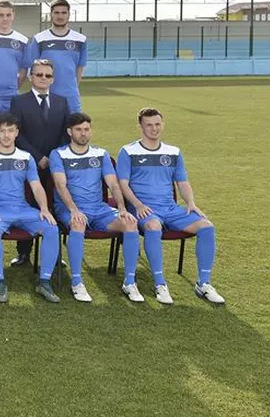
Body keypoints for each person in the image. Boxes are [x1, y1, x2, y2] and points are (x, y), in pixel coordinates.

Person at [117, 108, 225, 304]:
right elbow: (122, 184)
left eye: (157, 124)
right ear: (140, 126)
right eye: (149, 125)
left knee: (207, 227)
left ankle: (204, 283)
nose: (154, 128)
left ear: (163, 125)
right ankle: (160, 284)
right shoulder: (128, 151)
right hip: (144, 209)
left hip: (171, 209)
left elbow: (182, 182)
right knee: (153, 227)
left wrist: (191, 203)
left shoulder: (173, 152)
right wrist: (138, 205)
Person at [50, 112, 146, 303]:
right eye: (78, 129)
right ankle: (77, 282)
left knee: (130, 223)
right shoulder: (58, 154)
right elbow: (60, 185)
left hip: (99, 208)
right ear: (69, 132)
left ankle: (129, 282)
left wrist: (121, 208)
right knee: (78, 224)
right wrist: (74, 209)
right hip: (70, 208)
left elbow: (113, 184)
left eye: (86, 129)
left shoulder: (101, 154)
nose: (83, 133)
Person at [0, 113, 61, 304]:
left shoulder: (26, 157)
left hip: (23, 209)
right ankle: (0, 281)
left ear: (17, 133)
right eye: (2, 131)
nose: (6, 135)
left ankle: (44, 281)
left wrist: (44, 209)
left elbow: (36, 186)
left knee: (51, 227)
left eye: (10, 131)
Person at [7, 58, 70, 266]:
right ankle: (24, 252)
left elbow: (66, 133)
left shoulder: (62, 102)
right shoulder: (18, 101)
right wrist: (37, 157)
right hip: (28, 164)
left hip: (54, 167)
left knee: (53, 206)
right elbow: (17, 133)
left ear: (53, 79)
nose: (43, 78)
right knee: (27, 205)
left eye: (48, 75)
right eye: (39, 74)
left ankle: (54, 254)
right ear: (31, 77)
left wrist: (52, 158)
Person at [26, 0, 87, 112]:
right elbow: (32, 70)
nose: (60, 16)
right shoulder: (39, 39)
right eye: (56, 12)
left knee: (75, 123)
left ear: (69, 15)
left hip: (71, 98)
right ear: (51, 15)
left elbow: (79, 69)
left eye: (64, 13)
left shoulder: (80, 40)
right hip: (45, 97)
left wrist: (71, 89)